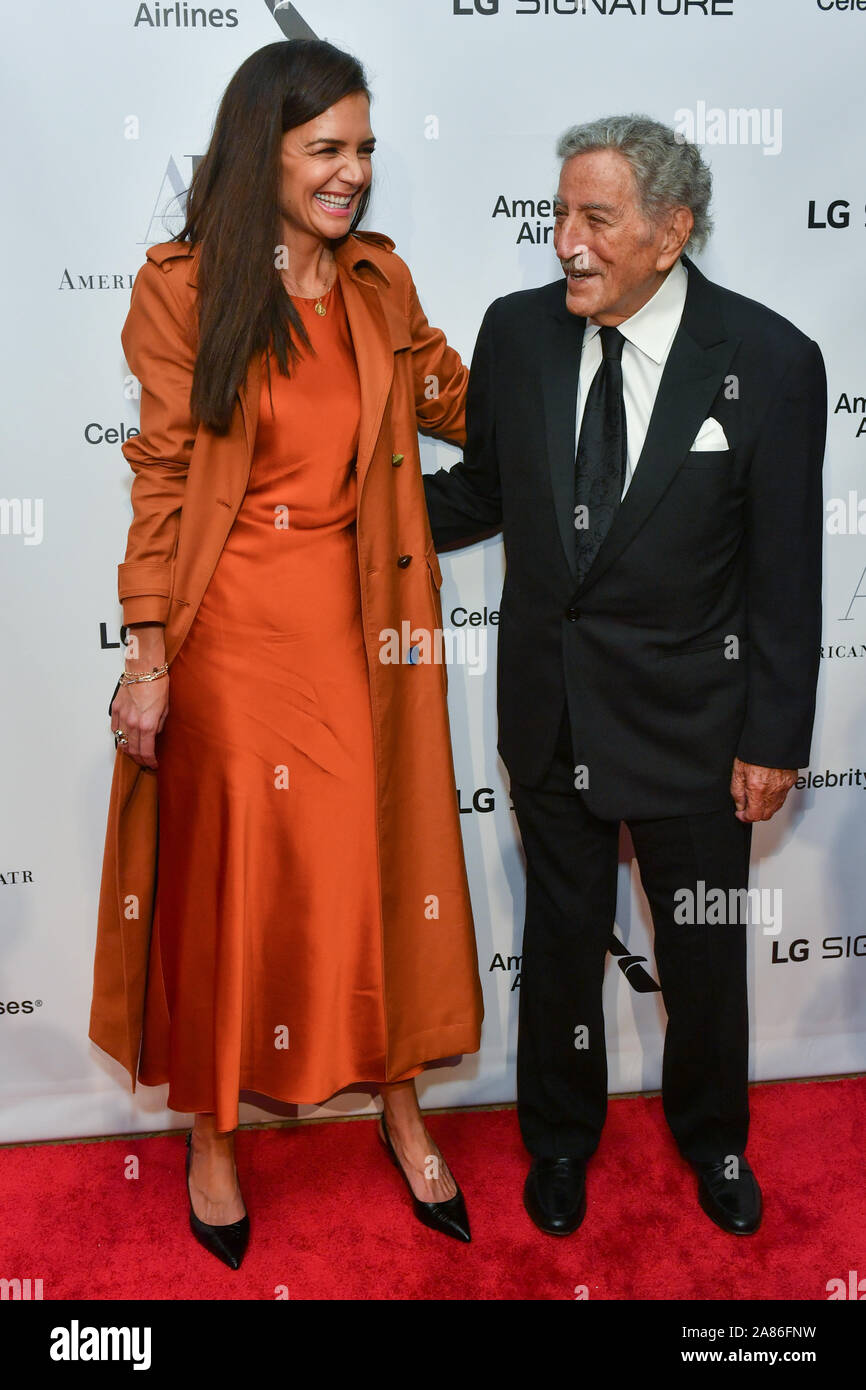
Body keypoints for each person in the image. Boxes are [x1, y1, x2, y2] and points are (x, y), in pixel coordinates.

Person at [90, 38, 483, 1268]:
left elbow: (468, 403)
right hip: (232, 633)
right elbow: (159, 478)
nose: (351, 173)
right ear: (264, 150)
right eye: (326, 149)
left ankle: (400, 1104)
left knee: (381, 865)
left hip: (363, 627)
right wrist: (147, 652)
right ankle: (214, 1132)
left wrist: (609, 339)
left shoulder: (379, 282)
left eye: (363, 148)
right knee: (233, 886)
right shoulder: (187, 287)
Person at [424, 115, 826, 1238]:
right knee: (558, 949)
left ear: (670, 231)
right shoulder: (517, 335)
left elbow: (783, 571)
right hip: (550, 710)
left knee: (699, 953)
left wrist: (771, 736)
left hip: (696, 725)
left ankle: (714, 1140)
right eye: (559, 214)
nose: (565, 242)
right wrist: (349, 511)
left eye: (595, 218)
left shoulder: (768, 361)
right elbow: (486, 493)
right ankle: (557, 1140)